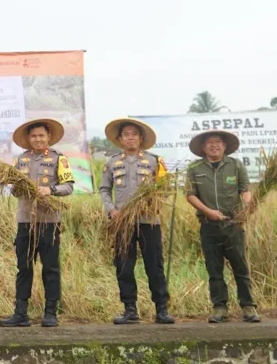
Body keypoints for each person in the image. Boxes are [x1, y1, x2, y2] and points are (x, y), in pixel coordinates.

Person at [0, 118, 74, 328]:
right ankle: (20, 313)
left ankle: (51, 313)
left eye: (41, 135)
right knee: (23, 267)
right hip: (25, 221)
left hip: (49, 222)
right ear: (28, 139)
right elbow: (14, 191)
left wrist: (50, 190)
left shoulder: (58, 159)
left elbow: (68, 187)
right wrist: (15, 188)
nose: (38, 139)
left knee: (50, 268)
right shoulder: (20, 160)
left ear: (48, 137)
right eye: (34, 136)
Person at [100, 118, 174, 325]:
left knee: (154, 265)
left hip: (149, 221)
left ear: (141, 138)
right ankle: (130, 309)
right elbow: (105, 190)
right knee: (123, 265)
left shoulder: (154, 161)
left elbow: (165, 189)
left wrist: (154, 204)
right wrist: (111, 210)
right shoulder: (112, 162)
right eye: (126, 134)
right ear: (120, 139)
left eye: (134, 134)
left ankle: (161, 309)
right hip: (122, 221)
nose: (130, 137)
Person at [186, 130, 260, 323]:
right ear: (203, 147)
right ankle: (220, 307)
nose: (214, 145)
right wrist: (208, 211)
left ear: (225, 146)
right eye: (209, 142)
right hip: (208, 226)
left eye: (218, 142)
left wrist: (246, 205)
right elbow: (190, 194)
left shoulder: (235, 166)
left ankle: (248, 306)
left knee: (240, 266)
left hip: (233, 225)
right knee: (214, 269)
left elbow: (245, 190)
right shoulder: (195, 168)